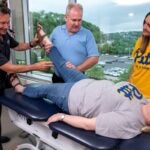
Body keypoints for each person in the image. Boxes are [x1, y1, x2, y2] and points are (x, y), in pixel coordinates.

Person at [11, 46, 150, 140]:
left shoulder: (130, 121)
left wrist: (63, 117)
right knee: (64, 64)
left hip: (73, 97)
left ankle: (21, 89)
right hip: (86, 82)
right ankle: (47, 43)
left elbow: (89, 124)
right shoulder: (144, 101)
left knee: (45, 89)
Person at [0, 4, 52, 149]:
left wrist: (32, 43)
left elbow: (17, 46)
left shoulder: (4, 35)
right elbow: (7, 67)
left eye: (7, 22)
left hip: (2, 80)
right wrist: (34, 66)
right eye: (2, 23)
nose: (5, 26)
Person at [50, 3, 99, 83]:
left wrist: (76, 70)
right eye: (74, 20)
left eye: (79, 20)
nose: (77, 24)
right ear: (66, 17)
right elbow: (48, 48)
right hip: (57, 79)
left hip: (77, 79)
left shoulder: (87, 34)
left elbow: (94, 58)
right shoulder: (56, 31)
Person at [129, 12, 150, 99]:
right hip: (132, 93)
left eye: (149, 25)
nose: (144, 27)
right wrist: (128, 84)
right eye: (144, 23)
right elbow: (135, 67)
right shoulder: (140, 41)